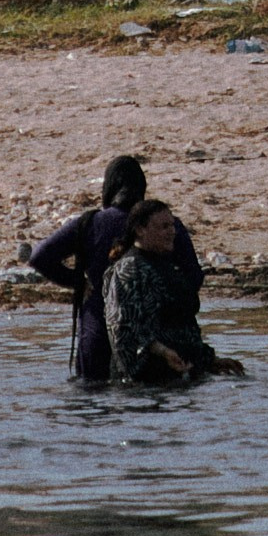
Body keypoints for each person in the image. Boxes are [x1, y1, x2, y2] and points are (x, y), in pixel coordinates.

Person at [28, 155, 202, 383]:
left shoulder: (90, 223)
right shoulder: (165, 226)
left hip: (97, 335)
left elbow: (39, 256)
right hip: (154, 342)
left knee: (93, 399)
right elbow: (193, 277)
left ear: (108, 189)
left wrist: (77, 282)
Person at [102, 198, 243, 386]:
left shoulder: (168, 267)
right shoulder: (128, 270)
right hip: (144, 387)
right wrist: (162, 351)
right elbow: (122, 326)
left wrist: (209, 361)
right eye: (163, 227)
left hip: (181, 377)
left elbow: (183, 325)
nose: (172, 232)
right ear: (140, 230)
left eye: (172, 225)